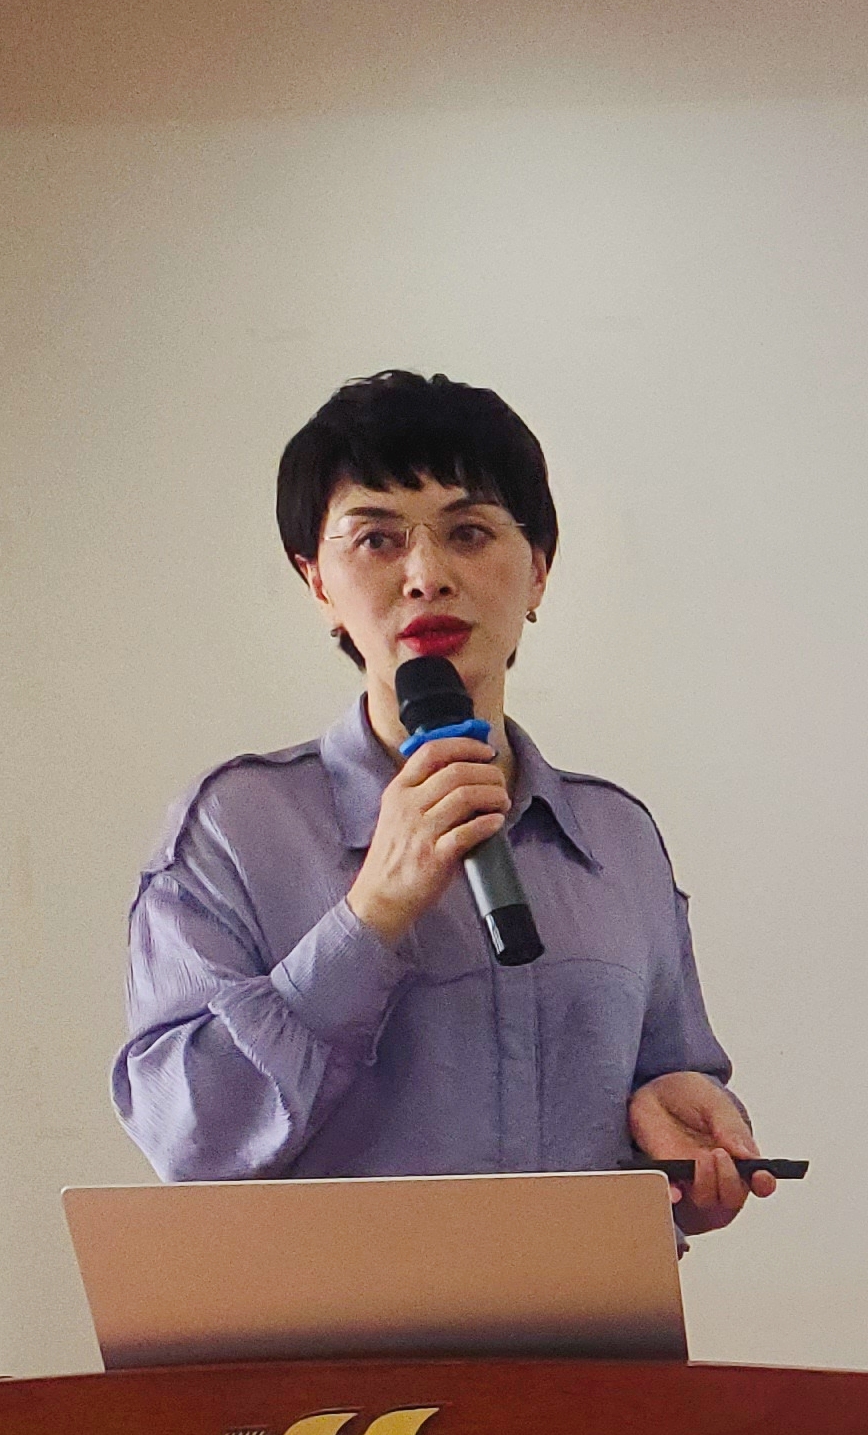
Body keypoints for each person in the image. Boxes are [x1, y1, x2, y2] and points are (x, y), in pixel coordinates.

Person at [116, 370, 770, 1230]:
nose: (426, 575)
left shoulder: (617, 838)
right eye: (377, 540)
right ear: (318, 583)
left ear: (538, 572)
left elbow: (670, 1088)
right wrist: (372, 914)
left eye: (468, 532)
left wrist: (684, 1143)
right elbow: (187, 1137)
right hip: (339, 1319)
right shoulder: (235, 830)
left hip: (589, 1311)